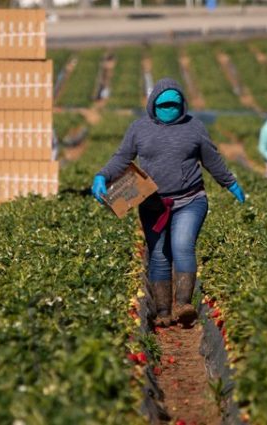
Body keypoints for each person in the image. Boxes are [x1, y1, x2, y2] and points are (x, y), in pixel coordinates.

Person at [92, 78, 246, 328]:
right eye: (163, 105)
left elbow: (212, 159)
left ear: (182, 104)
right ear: (153, 105)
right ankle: (163, 310)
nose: (169, 109)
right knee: (159, 255)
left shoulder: (194, 127)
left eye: (174, 104)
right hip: (153, 203)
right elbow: (122, 157)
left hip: (190, 199)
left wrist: (230, 183)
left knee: (182, 245)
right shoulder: (139, 129)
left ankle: (183, 304)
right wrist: (103, 175)